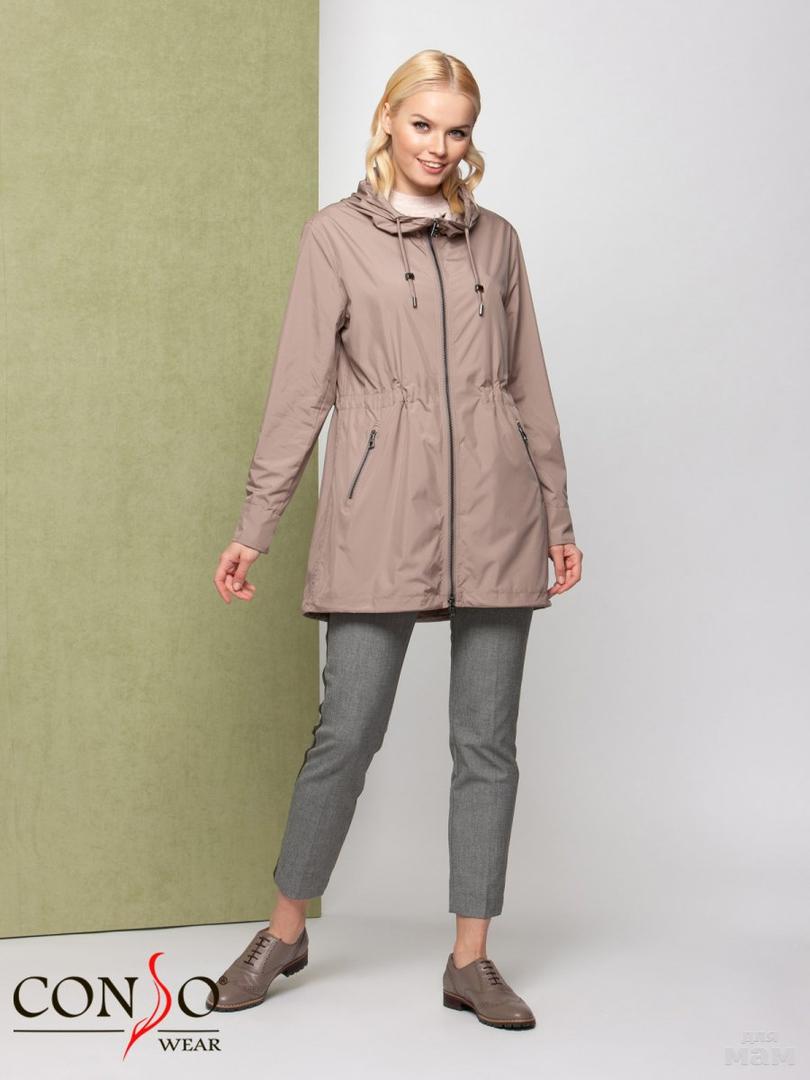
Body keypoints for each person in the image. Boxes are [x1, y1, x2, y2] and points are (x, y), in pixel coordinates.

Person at [211, 48, 583, 1030]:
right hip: (377, 514)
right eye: (423, 124)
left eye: (457, 130)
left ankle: (472, 959)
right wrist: (256, 526)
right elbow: (302, 393)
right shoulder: (334, 238)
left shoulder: (497, 242)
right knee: (348, 731)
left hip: (499, 515)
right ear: (387, 121)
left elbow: (528, 384)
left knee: (486, 745)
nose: (439, 146)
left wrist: (557, 513)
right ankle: (283, 932)